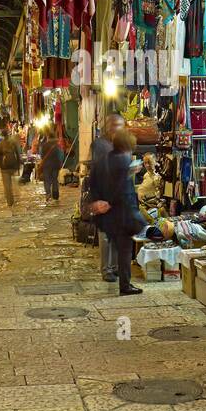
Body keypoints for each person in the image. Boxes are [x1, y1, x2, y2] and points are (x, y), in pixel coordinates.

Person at [94, 128, 145, 296]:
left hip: (110, 216)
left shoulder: (107, 159)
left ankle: (115, 274)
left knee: (119, 247)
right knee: (124, 251)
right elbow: (121, 188)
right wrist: (111, 202)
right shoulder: (124, 160)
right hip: (122, 213)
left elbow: (100, 181)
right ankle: (125, 285)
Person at [86, 114, 126, 283]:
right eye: (116, 125)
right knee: (105, 235)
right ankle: (106, 270)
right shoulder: (100, 145)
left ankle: (115, 267)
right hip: (104, 193)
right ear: (109, 126)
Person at [0, 126, 22, 208]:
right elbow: (18, 153)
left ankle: (10, 201)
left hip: (5, 167)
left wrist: (0, 165)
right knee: (12, 183)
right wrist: (18, 164)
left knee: (7, 186)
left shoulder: (0, 144)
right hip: (13, 165)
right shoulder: (13, 142)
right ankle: (13, 198)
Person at [37, 132, 65, 203]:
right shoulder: (57, 146)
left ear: (48, 137)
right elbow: (61, 155)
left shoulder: (44, 145)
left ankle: (48, 194)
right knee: (54, 179)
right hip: (55, 165)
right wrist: (60, 163)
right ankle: (55, 195)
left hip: (46, 166)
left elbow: (41, 155)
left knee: (47, 180)